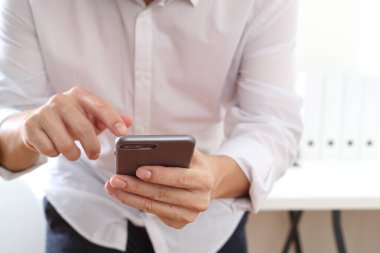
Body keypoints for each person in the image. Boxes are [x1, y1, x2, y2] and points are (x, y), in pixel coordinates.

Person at [0, 0, 302, 252]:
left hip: (208, 227)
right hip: (83, 214)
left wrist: (213, 177)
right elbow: (9, 117)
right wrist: (29, 128)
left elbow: (272, 124)